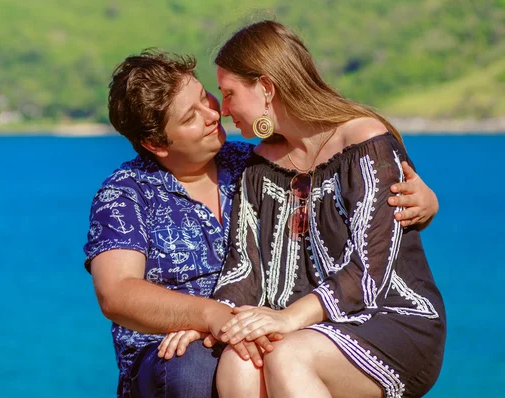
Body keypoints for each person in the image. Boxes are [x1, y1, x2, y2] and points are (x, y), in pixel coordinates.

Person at [83, 49, 439, 398]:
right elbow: (116, 293)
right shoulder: (125, 194)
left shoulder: (251, 164)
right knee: (197, 369)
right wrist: (207, 316)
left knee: (249, 358)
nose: (212, 113)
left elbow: (346, 205)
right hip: (174, 346)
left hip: (268, 326)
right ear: (155, 143)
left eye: (205, 97)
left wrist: (424, 201)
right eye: (190, 117)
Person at [198, 20, 445, 398]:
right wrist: (213, 322)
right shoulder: (258, 167)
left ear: (266, 88)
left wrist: (286, 318)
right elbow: (244, 268)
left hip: (392, 316)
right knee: (239, 360)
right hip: (304, 328)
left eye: (229, 94)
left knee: (287, 357)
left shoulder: (366, 142)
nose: (225, 109)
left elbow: (369, 271)